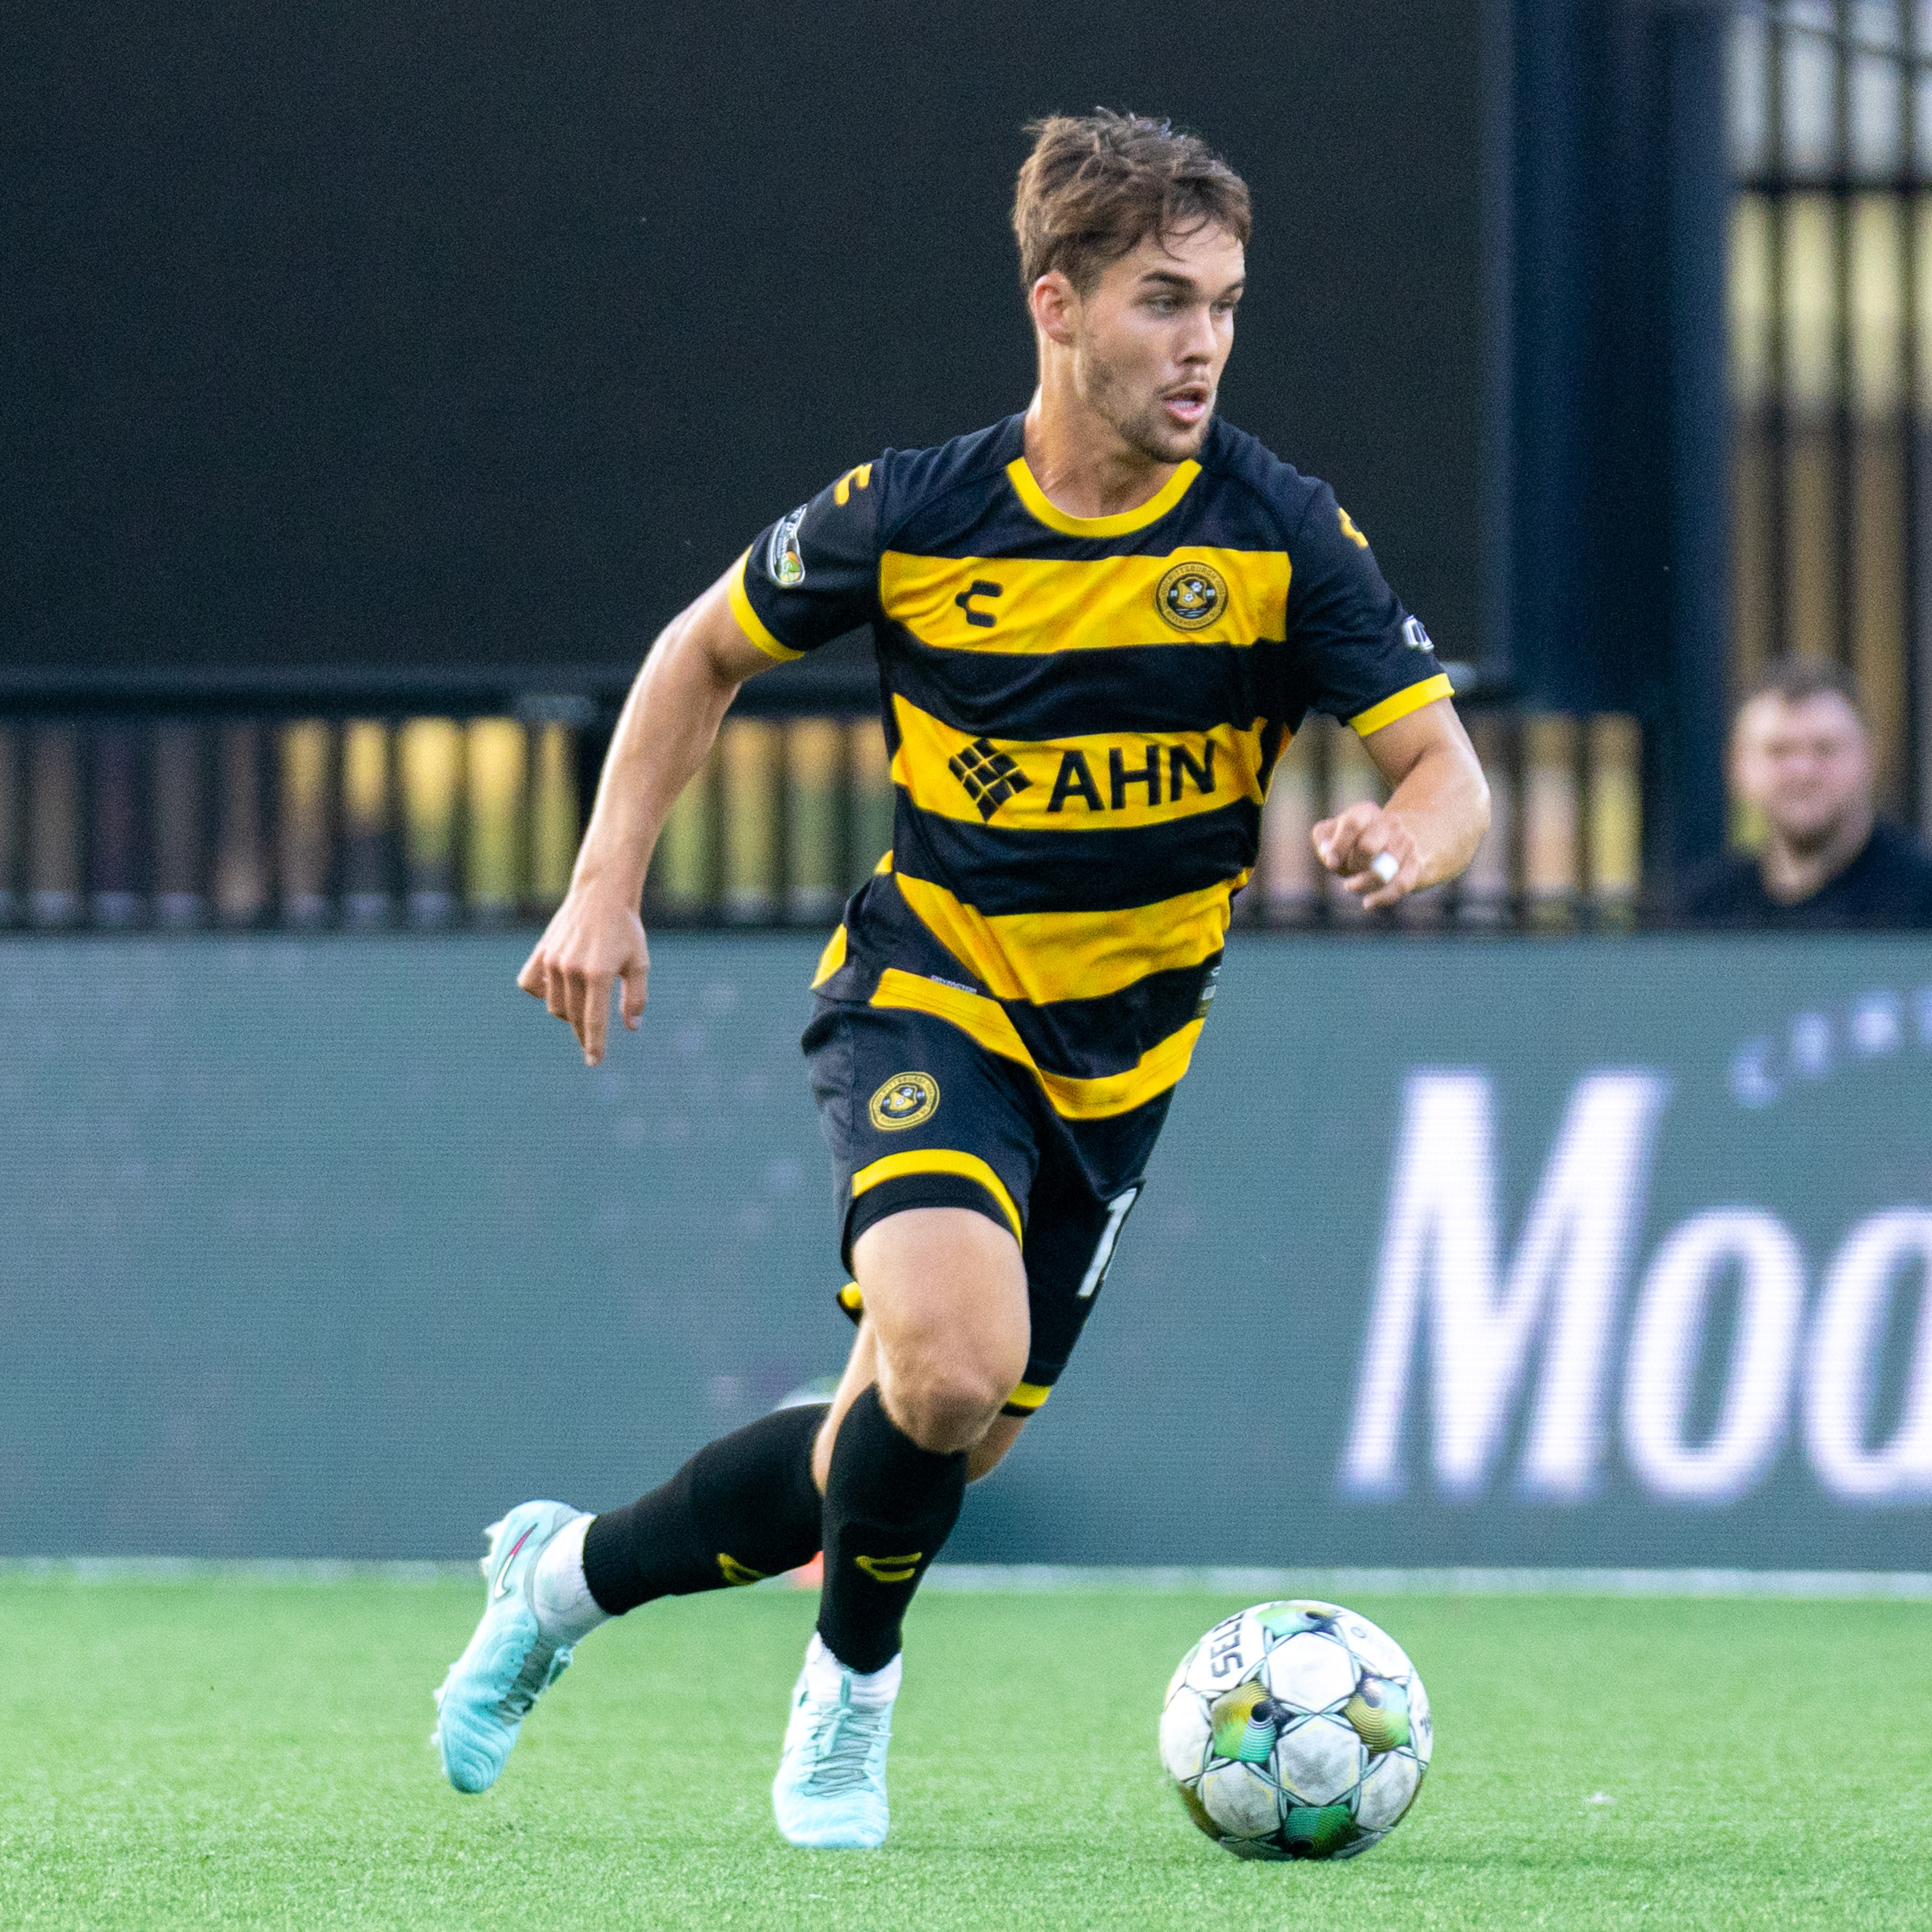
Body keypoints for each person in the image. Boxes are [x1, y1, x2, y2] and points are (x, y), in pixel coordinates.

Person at [429, 112, 1487, 1850]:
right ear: (1058, 306)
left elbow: (1448, 772)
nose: (1206, 339)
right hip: (934, 989)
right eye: (1165, 299)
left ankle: (559, 1580)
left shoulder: (1281, 533)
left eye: (1226, 300)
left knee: (923, 1434)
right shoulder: (915, 512)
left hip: (1121, 1059)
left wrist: (1402, 840)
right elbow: (701, 651)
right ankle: (848, 1701)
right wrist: (604, 880)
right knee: (946, 1361)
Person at [1663, 658, 1932, 929]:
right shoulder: (1704, 912)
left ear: (1871, 758)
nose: (1802, 771)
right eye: (1778, 751)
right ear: (1737, 767)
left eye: (1824, 749)